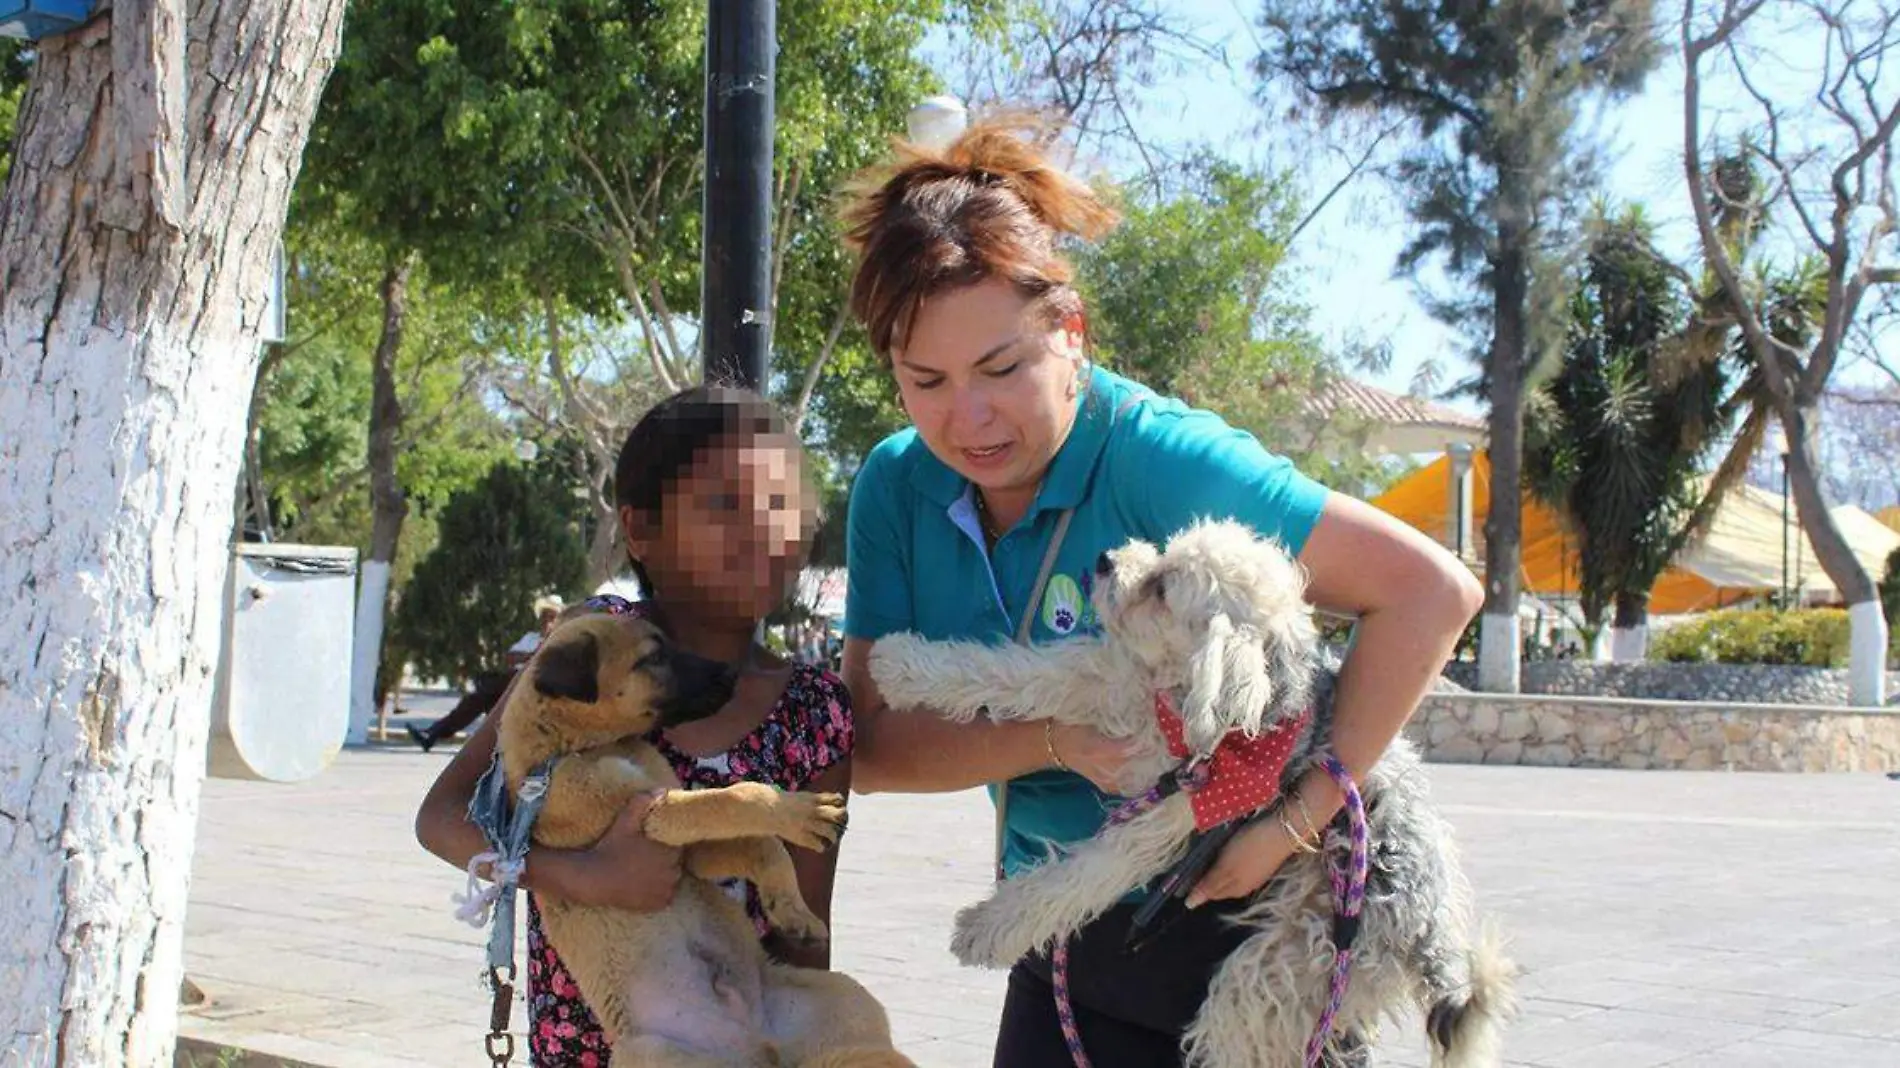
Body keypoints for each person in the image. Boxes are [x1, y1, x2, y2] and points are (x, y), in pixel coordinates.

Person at [835, 116, 1484, 1067]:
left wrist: (1290, 822)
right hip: (1060, 936)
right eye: (923, 380)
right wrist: (1062, 740)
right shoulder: (895, 487)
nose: (966, 418)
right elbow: (874, 743)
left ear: (1071, 329)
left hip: (1254, 939)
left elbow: (1431, 592)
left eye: (1001, 369)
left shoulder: (1165, 460)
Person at [413, 386, 848, 1067]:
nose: (766, 529)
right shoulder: (588, 654)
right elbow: (441, 818)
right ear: (641, 529)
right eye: (726, 505)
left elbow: (803, 935)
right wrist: (580, 876)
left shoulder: (815, 709)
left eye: (782, 504)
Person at [405, 594, 565, 753]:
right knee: (474, 701)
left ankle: (436, 732)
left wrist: (531, 655)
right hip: (512, 684)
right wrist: (530, 654)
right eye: (544, 616)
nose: (547, 621)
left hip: (533, 686)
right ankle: (433, 734)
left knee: (487, 690)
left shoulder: (559, 641)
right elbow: (510, 657)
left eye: (551, 617)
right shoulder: (531, 638)